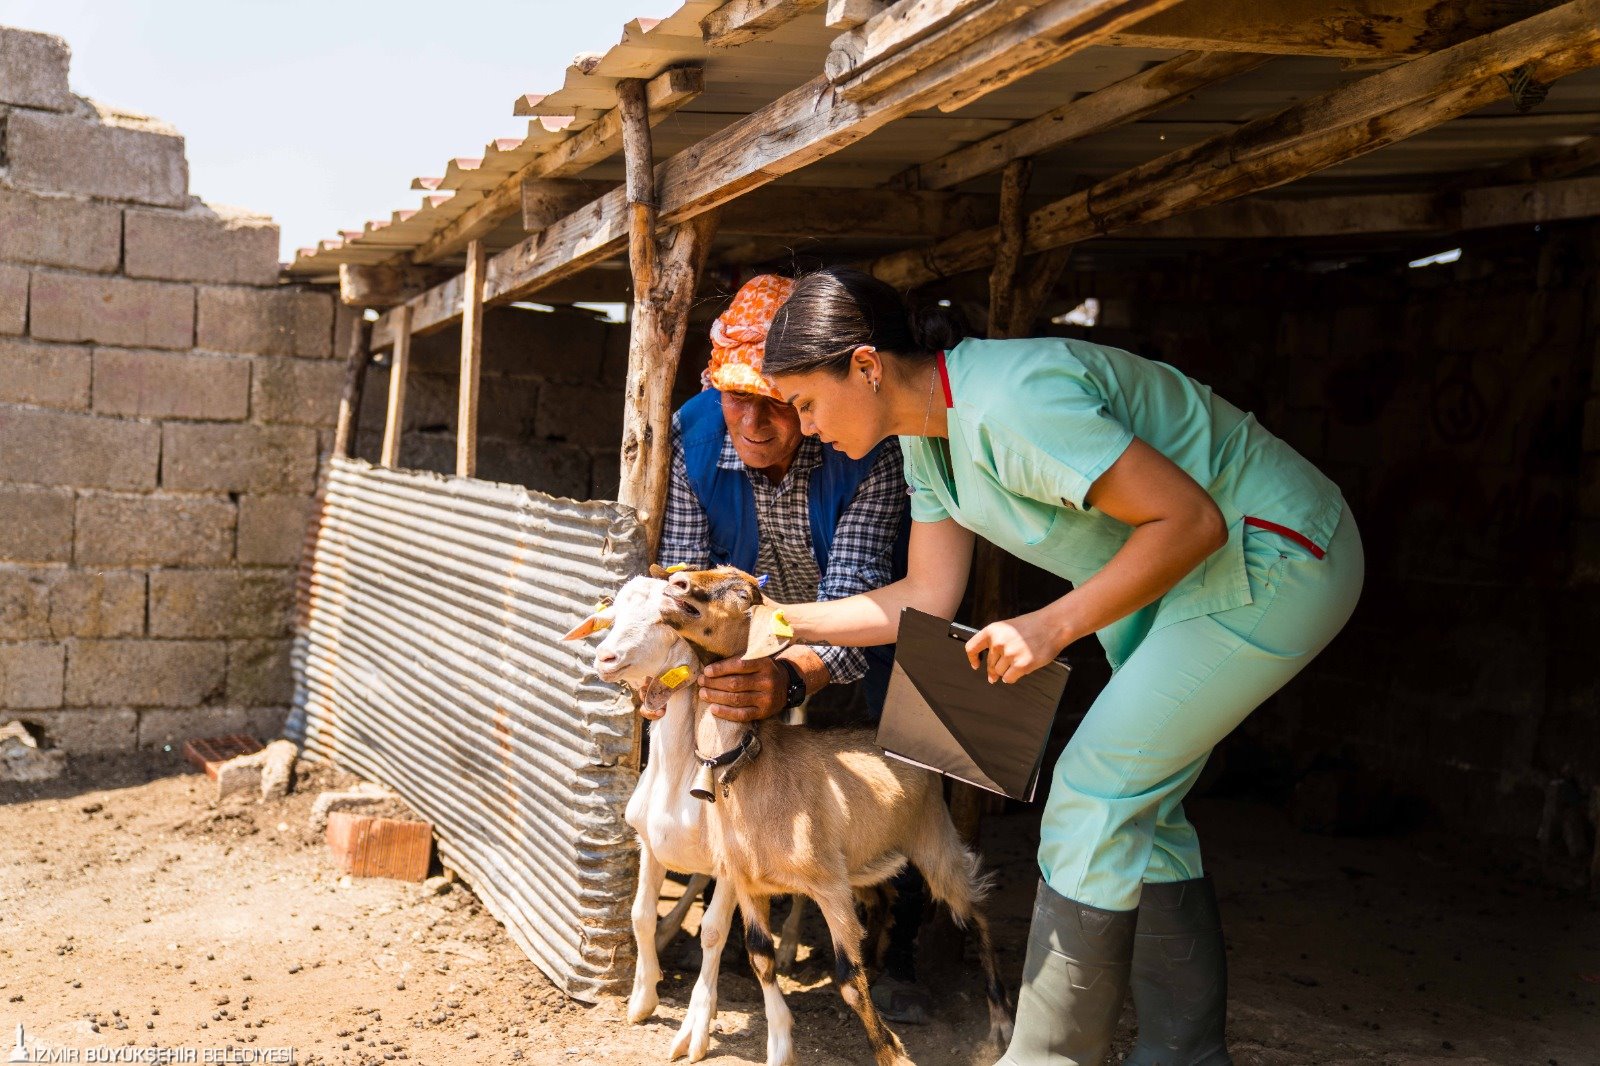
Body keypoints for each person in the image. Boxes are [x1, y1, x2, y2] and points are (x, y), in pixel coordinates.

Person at [758, 266, 1364, 1066]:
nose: (802, 427)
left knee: (1093, 787)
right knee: (1140, 808)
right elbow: (925, 597)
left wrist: (1049, 627)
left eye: (805, 402)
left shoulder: (1012, 403)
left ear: (866, 366)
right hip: (1182, 582)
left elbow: (1192, 520)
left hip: (1273, 555)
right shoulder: (925, 444)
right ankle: (1183, 1055)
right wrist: (770, 618)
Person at [658, 273, 932, 1021]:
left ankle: (900, 938)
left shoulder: (867, 443)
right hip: (747, 623)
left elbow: (859, 587)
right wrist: (695, 671)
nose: (750, 421)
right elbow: (686, 581)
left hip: (875, 616)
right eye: (733, 396)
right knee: (721, 739)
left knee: (914, 744)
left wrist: (792, 677)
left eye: (775, 400)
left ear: (806, 389)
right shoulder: (691, 435)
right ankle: (735, 909)